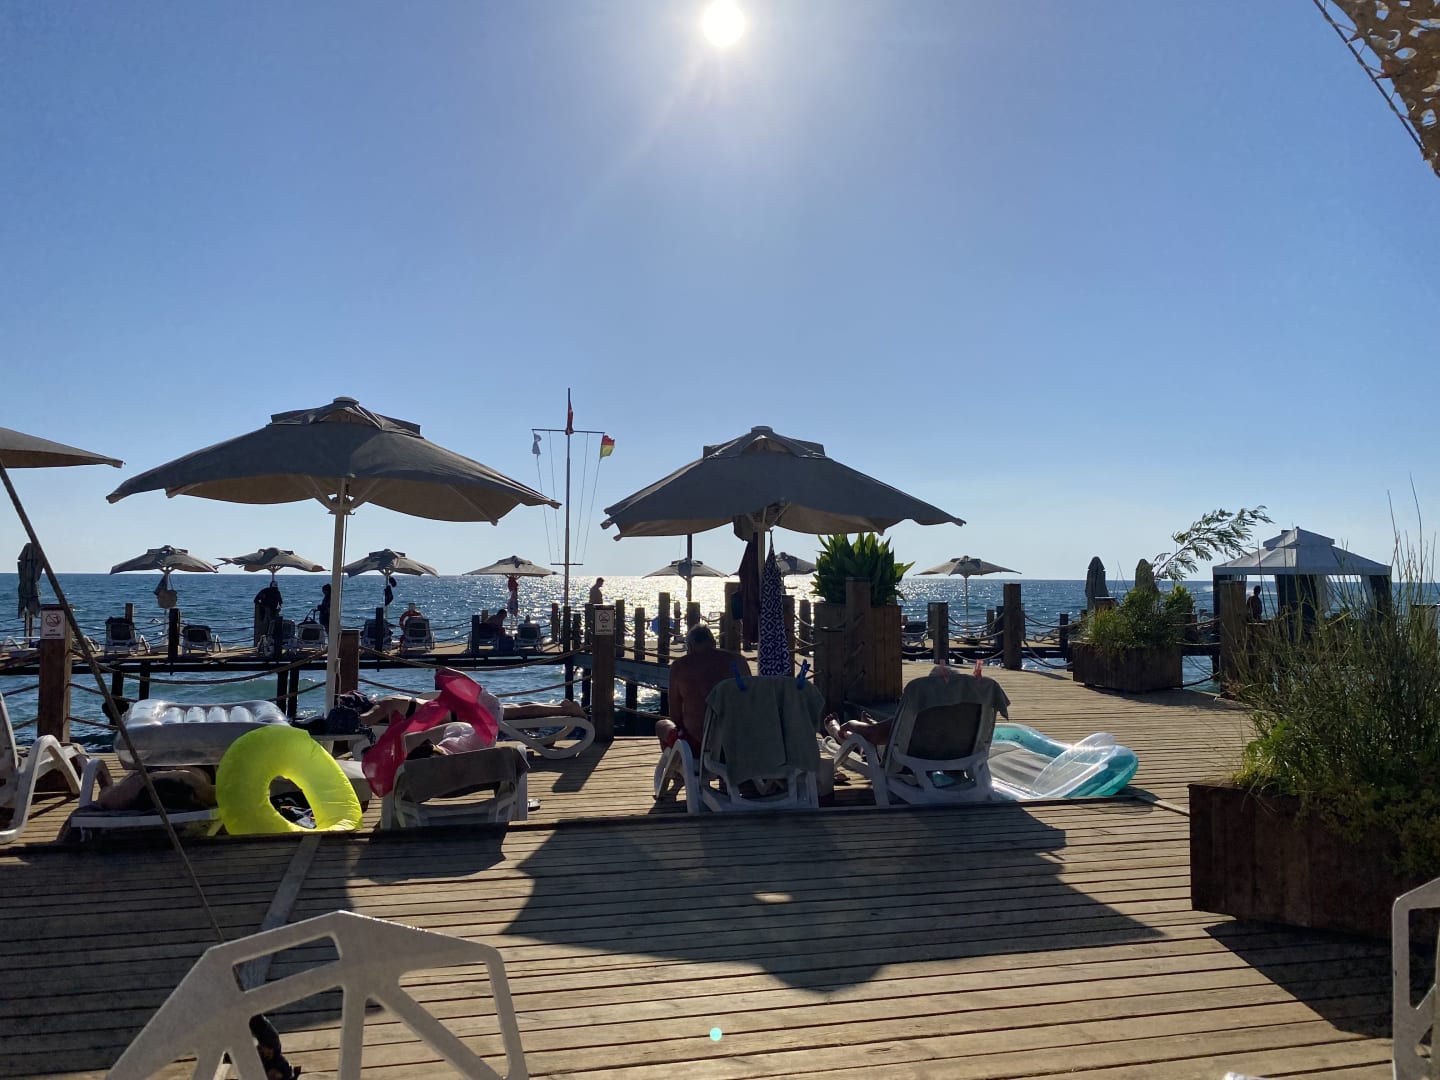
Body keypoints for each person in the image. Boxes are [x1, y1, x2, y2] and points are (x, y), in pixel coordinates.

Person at [656, 625, 751, 753]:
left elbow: (675, 715)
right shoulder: (739, 661)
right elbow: (750, 700)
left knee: (661, 725)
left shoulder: (679, 666)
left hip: (696, 745)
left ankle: (678, 763)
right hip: (735, 740)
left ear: (689, 646)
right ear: (713, 643)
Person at [254, 581, 283, 645]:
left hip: (274, 611)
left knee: (273, 626)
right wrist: (264, 607)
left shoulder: (277, 592)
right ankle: (263, 642)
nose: (274, 589)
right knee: (266, 627)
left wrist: (279, 608)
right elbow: (256, 600)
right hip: (265, 613)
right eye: (273, 588)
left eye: (275, 588)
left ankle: (272, 641)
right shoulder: (265, 591)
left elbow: (280, 602)